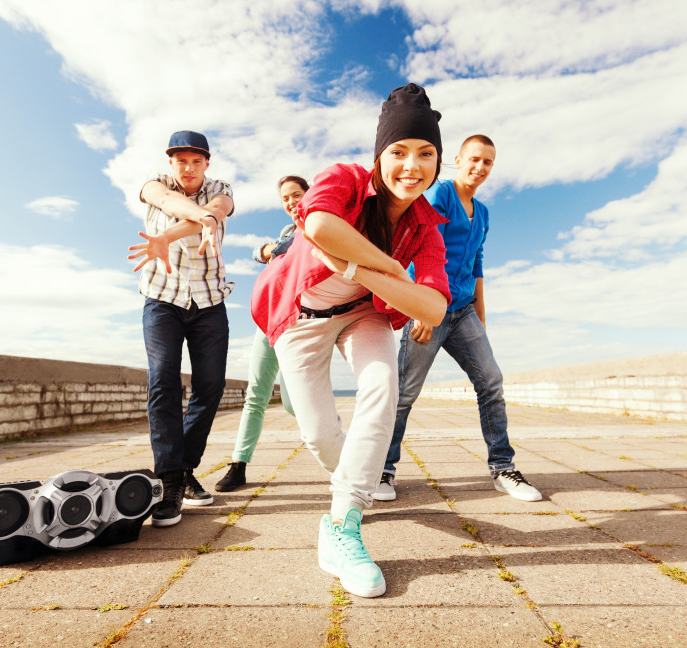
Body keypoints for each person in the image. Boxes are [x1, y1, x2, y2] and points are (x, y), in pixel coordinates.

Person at [251, 83, 451, 598]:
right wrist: (390, 269)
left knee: (383, 386)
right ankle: (355, 485)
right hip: (303, 314)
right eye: (399, 152)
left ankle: (342, 527)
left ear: (437, 161)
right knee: (319, 434)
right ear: (379, 155)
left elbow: (433, 306)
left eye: (426, 154)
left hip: (365, 314)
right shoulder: (344, 178)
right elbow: (319, 225)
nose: (413, 165)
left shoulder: (428, 227)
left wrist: (360, 271)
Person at [372, 134, 542, 504]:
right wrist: (421, 308)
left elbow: (477, 266)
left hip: (463, 311)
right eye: (475, 159)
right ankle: (382, 471)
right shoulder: (442, 194)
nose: (480, 168)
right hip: (431, 308)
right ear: (458, 160)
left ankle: (503, 467)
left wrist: (480, 320)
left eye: (488, 162)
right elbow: (421, 244)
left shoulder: (482, 212)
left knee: (491, 382)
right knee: (403, 394)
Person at [127, 130, 235, 528]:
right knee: (163, 381)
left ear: (206, 163)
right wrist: (200, 216)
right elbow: (168, 202)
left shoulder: (219, 188)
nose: (188, 168)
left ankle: (185, 467)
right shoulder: (154, 185)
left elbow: (218, 208)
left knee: (211, 386)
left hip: (209, 302)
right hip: (162, 300)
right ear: (171, 162)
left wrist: (196, 221)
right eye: (181, 161)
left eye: (196, 161)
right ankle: (169, 480)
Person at [214, 175, 309, 492]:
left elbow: (291, 253)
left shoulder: (321, 225)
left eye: (296, 194)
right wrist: (267, 247)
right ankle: (238, 465)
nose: (291, 201)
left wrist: (272, 249)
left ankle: (339, 445)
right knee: (256, 394)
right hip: (269, 318)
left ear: (310, 195)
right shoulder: (286, 231)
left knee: (296, 405)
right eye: (286, 198)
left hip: (299, 322)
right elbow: (262, 251)